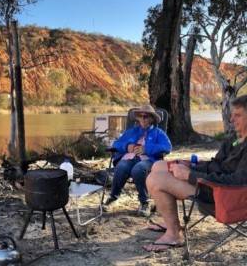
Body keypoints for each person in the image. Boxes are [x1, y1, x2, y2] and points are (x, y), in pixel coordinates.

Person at [144, 95, 247, 252]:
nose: (232, 119)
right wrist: (191, 165)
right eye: (232, 114)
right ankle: (173, 223)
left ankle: (174, 235)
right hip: (212, 185)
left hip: (225, 196)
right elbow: (216, 165)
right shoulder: (236, 139)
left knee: (155, 180)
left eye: (237, 115)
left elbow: (238, 181)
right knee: (159, 165)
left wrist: (190, 176)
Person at [103, 105, 172, 217]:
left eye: (146, 116)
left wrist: (146, 149)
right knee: (121, 167)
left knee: (138, 169)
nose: (143, 118)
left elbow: (167, 147)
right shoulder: (131, 131)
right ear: (138, 118)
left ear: (152, 119)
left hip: (149, 160)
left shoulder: (158, 132)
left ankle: (145, 202)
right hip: (129, 157)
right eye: (140, 116)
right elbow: (116, 144)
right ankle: (113, 198)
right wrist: (127, 147)